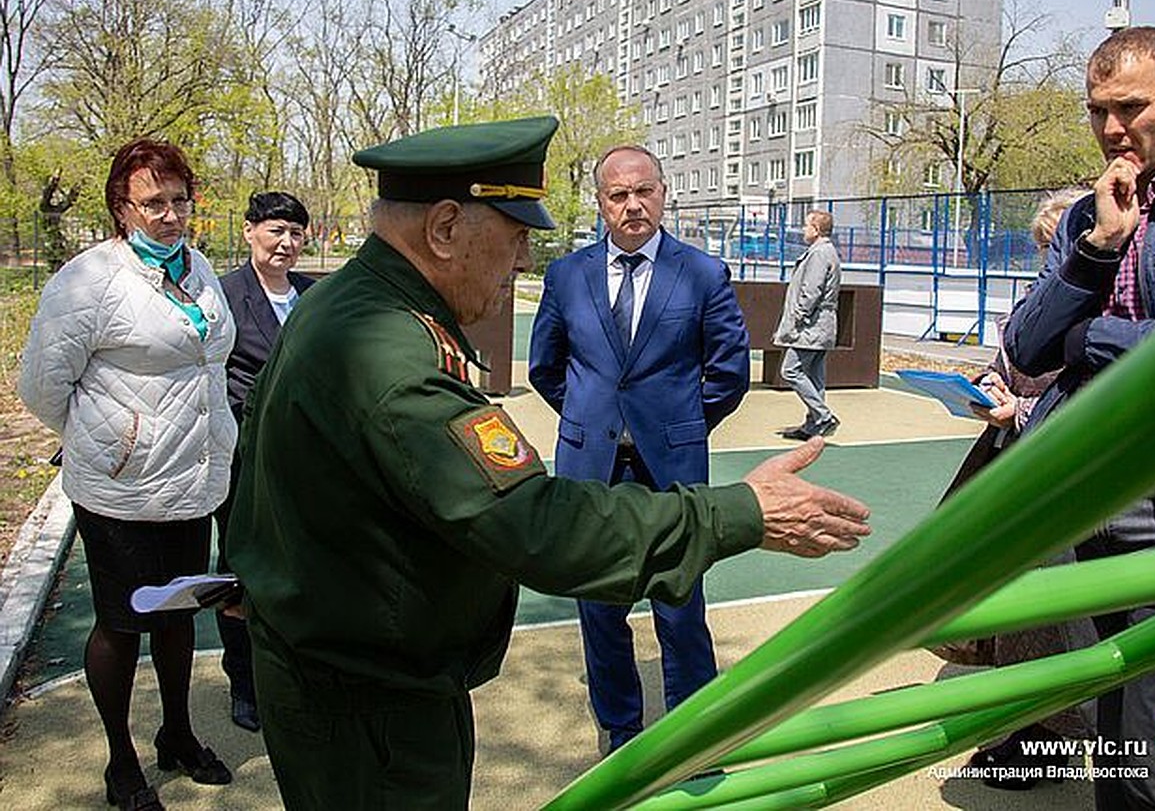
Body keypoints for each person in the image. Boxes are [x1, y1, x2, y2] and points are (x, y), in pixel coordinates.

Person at [226, 116, 871, 811]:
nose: (525, 261)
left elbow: (256, 454)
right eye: (515, 236)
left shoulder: (340, 307)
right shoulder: (390, 355)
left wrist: (257, 568)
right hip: (373, 700)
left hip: (332, 662)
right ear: (444, 229)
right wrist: (742, 511)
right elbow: (530, 522)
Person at [1005, 25, 1155, 811]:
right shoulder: (1092, 211)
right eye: (1096, 110)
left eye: (1131, 107)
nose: (1113, 129)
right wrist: (1095, 247)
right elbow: (1024, 345)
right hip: (1089, 505)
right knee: (1111, 724)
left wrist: (1089, 335)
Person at [18, 139, 236, 811]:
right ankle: (122, 762)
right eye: (152, 203)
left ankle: (177, 734)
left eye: (178, 200)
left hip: (194, 482)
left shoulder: (197, 267)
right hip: (121, 488)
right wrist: (112, 441)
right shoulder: (89, 281)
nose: (169, 215)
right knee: (122, 623)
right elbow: (42, 385)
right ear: (122, 208)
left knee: (176, 616)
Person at [528, 144, 750, 753]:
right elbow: (546, 368)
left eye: (643, 191)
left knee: (680, 608)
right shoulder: (566, 275)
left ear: (663, 192)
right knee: (600, 608)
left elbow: (729, 372)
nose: (632, 205)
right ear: (600, 203)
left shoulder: (703, 273)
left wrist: (672, 425)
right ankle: (621, 732)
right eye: (618, 195)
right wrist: (592, 421)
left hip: (671, 468)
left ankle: (692, 736)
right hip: (589, 468)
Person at [949, 187, 1097, 789]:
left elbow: (1092, 403)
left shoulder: (1107, 312)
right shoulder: (1037, 304)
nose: (1046, 260)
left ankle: (1078, 738)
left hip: (1074, 486)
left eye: (1055, 247)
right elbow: (1010, 360)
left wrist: (1025, 415)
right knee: (1020, 619)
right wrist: (986, 387)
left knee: (1077, 622)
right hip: (1021, 481)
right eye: (1043, 248)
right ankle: (1032, 730)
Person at [214, 192, 315, 732]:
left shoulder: (314, 294)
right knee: (242, 574)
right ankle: (244, 682)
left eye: (296, 234)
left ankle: (297, 672)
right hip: (243, 460)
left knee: (302, 569)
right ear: (250, 231)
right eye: (276, 230)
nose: (287, 243)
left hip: (307, 462)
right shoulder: (225, 296)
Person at [772, 210, 842, 440]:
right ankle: (813, 427)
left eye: (806, 225)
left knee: (790, 370)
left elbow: (811, 291)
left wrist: (796, 319)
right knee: (814, 376)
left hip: (811, 327)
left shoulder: (820, 254)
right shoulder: (825, 252)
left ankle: (823, 416)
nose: (803, 229)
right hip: (821, 326)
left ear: (816, 229)